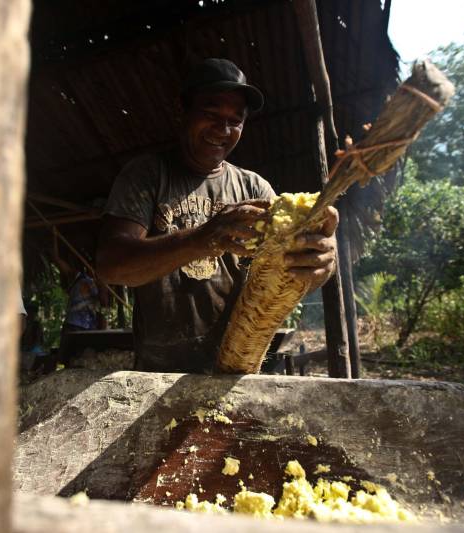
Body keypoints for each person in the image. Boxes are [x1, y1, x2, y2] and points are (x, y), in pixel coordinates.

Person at [96, 58, 338, 373]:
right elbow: (111, 266)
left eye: (235, 121)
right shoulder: (146, 176)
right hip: (160, 374)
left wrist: (320, 264)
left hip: (237, 369)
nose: (223, 130)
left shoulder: (255, 188)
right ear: (181, 112)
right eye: (210, 114)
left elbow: (288, 267)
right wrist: (201, 238)